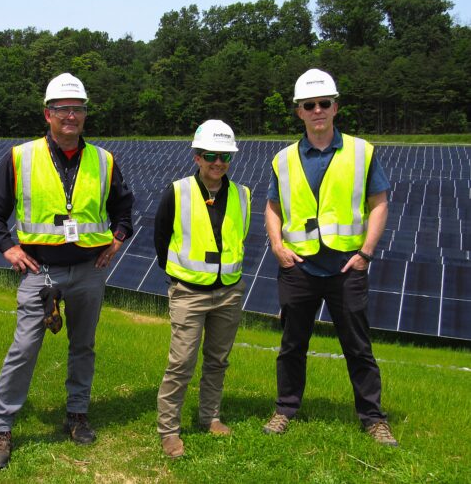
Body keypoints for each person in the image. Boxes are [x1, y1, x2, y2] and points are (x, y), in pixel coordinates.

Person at [0, 73, 134, 469]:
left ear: (84, 114)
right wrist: (9, 248)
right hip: (40, 271)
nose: (71, 116)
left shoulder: (104, 160)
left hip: (88, 270)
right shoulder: (20, 156)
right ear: (47, 114)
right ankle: (1, 427)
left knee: (83, 346)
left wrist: (116, 239)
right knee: (25, 348)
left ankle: (77, 415)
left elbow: (124, 208)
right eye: (63, 109)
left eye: (77, 109)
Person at [262, 68, 398, 446]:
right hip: (299, 266)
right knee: (292, 344)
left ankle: (372, 418)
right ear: (299, 111)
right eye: (310, 105)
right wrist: (277, 246)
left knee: (358, 346)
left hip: (346, 266)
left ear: (335, 107)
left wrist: (366, 253)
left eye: (324, 103)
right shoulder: (283, 159)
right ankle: (285, 409)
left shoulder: (361, 151)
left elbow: (379, 203)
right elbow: (272, 207)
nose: (317, 110)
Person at [154, 120, 251, 458]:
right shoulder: (177, 191)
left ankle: (209, 416)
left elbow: (239, 237)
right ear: (197, 156)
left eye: (224, 155)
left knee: (217, 360)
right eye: (210, 155)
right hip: (189, 292)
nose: (218, 162)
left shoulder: (242, 194)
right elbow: (161, 238)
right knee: (181, 362)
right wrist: (178, 277)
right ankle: (169, 431)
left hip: (229, 292)